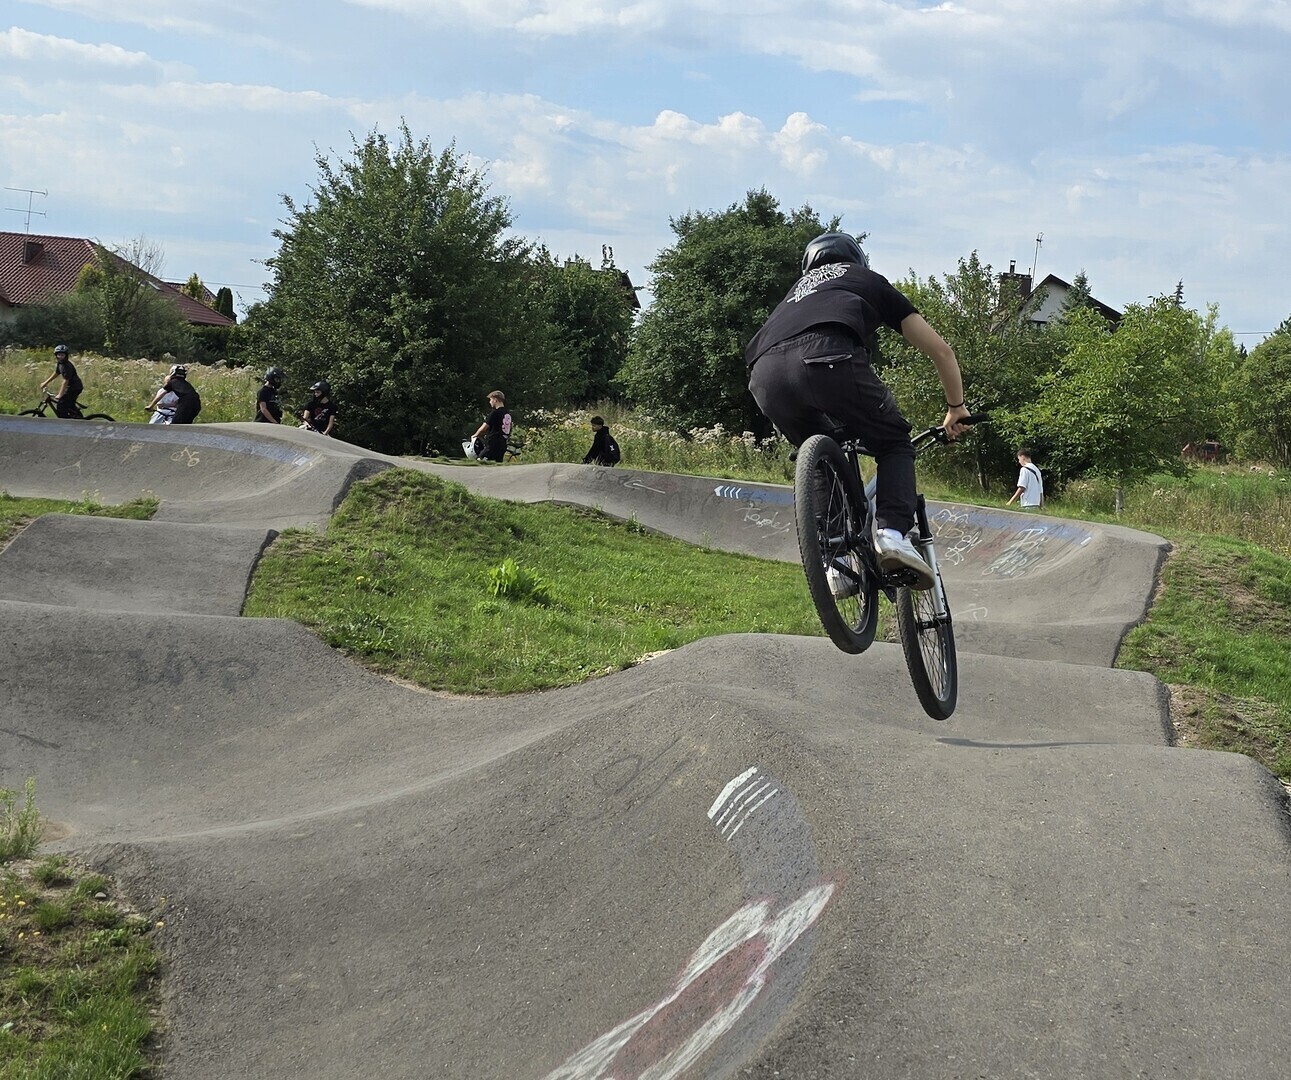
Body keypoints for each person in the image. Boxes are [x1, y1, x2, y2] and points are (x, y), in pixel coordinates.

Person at [744, 232, 969, 590]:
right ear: (857, 260)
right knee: (894, 441)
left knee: (816, 452)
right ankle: (892, 534)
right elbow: (942, 352)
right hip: (829, 359)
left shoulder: (794, 294)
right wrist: (956, 407)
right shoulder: (866, 280)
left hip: (765, 377)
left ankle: (837, 560)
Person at [39, 344, 84, 419]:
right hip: (70, 387)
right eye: (58, 355)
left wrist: (60, 394)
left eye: (62, 355)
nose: (60, 357)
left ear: (66, 356)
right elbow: (56, 373)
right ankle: (76, 416)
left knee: (61, 406)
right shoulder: (60, 363)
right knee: (68, 404)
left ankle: (65, 423)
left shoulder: (67, 366)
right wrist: (45, 382)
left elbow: (65, 381)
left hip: (75, 387)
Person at [470, 390, 512, 462]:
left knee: (480, 460)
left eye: (491, 400)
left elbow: (483, 428)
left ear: (495, 400)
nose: (490, 402)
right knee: (497, 465)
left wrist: (475, 435)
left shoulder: (495, 413)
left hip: (493, 445)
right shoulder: (507, 414)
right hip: (503, 444)